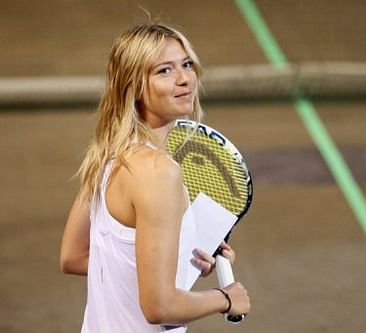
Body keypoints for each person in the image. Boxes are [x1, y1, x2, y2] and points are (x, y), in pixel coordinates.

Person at [59, 23, 250, 332]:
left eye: (186, 64)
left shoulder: (108, 153)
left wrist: (178, 266)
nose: (184, 78)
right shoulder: (159, 172)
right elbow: (159, 307)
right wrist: (225, 298)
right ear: (134, 85)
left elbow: (74, 257)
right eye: (164, 71)